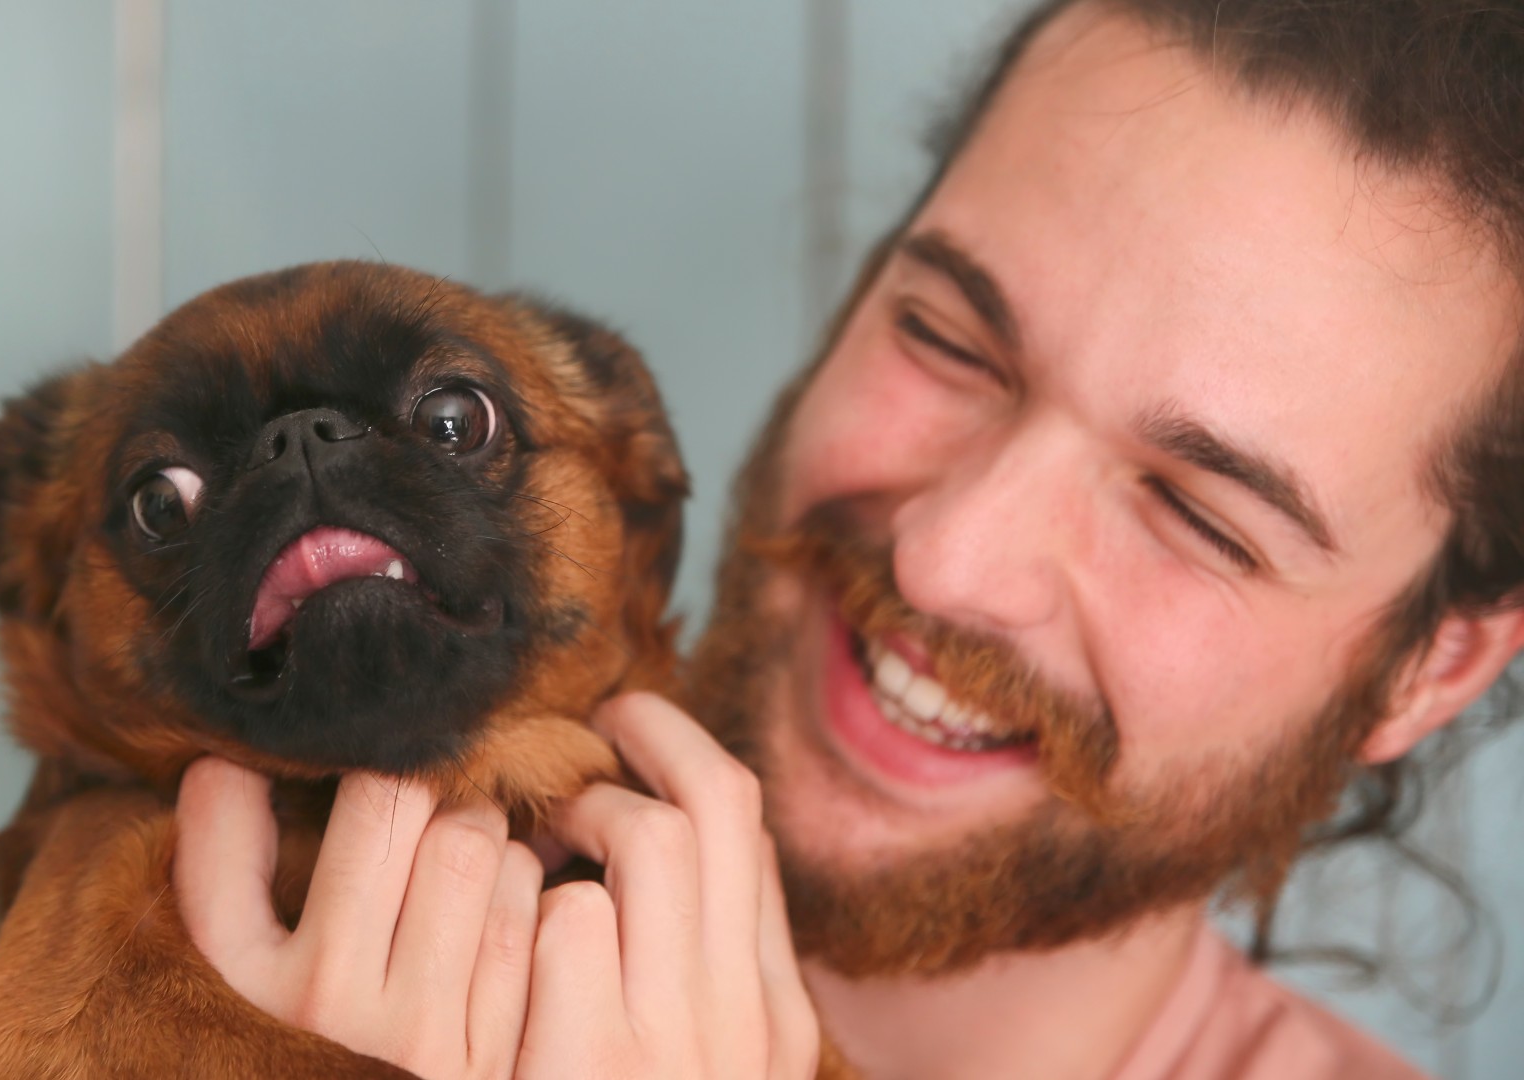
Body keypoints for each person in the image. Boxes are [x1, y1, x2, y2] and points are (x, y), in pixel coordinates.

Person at [174, 1, 1524, 1077]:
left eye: (1196, 513)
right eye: (945, 338)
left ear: (1433, 666)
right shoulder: (205, 917)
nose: (946, 559)